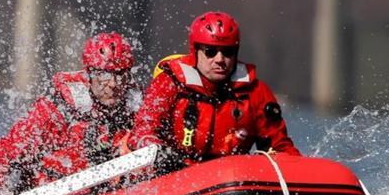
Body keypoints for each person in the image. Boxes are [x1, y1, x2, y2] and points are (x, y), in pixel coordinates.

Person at [128, 11, 300, 166]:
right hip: (176, 172)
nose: (220, 59)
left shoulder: (256, 92)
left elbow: (280, 146)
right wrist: (157, 150)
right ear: (195, 51)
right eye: (210, 51)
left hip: (232, 180)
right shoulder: (169, 83)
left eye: (228, 52)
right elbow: (143, 129)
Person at [0, 32, 140, 193]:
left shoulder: (135, 104)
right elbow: (9, 151)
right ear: (89, 74)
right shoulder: (59, 107)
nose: (114, 84)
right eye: (104, 75)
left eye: (121, 75)